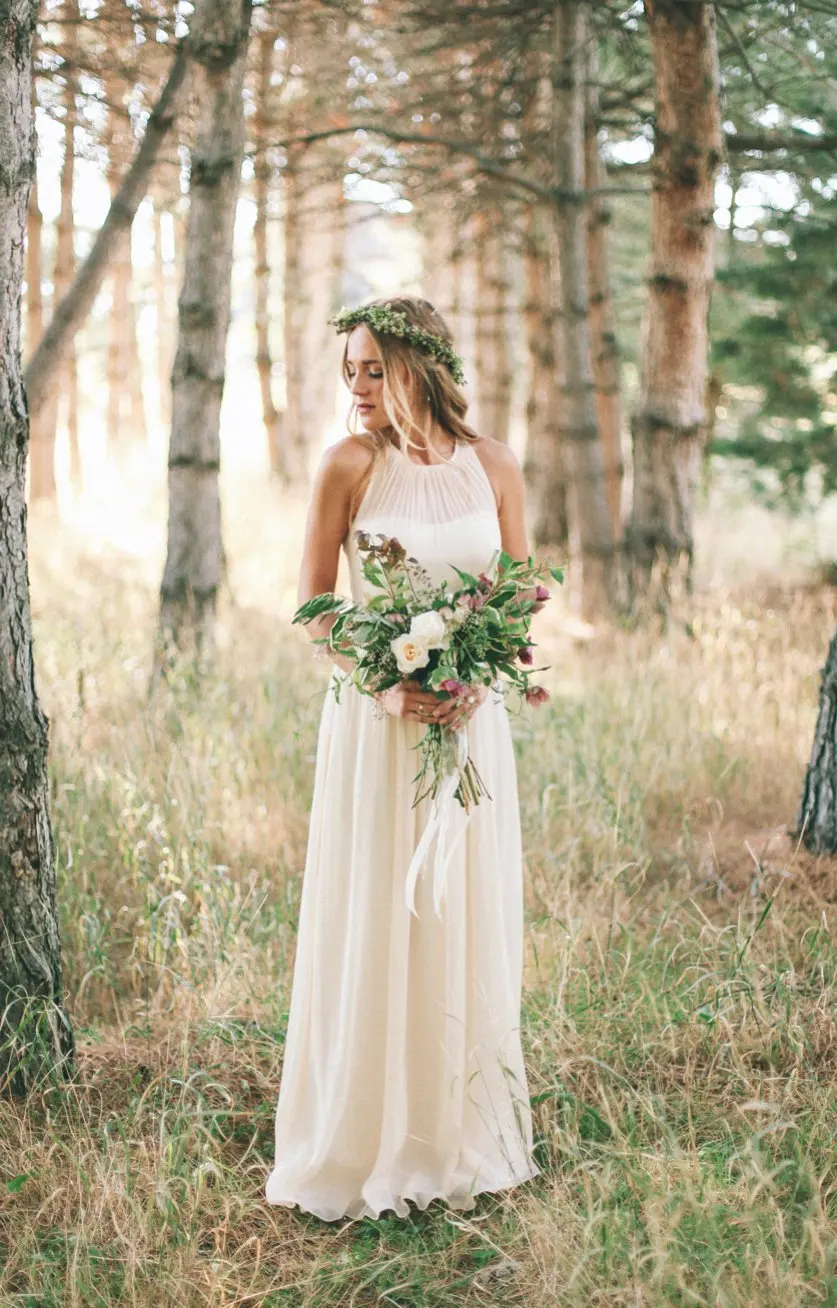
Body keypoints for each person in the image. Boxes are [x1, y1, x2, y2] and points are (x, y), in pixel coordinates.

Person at [264, 295, 548, 1223]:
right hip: (377, 729)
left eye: (373, 368)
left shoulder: (493, 466)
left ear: (422, 363)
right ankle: (362, 1135)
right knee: (378, 913)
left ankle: (455, 1131)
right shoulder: (349, 465)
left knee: (460, 915)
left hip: (470, 729)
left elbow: (516, 595)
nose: (356, 387)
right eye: (348, 369)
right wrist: (387, 684)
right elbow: (313, 604)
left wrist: (482, 672)